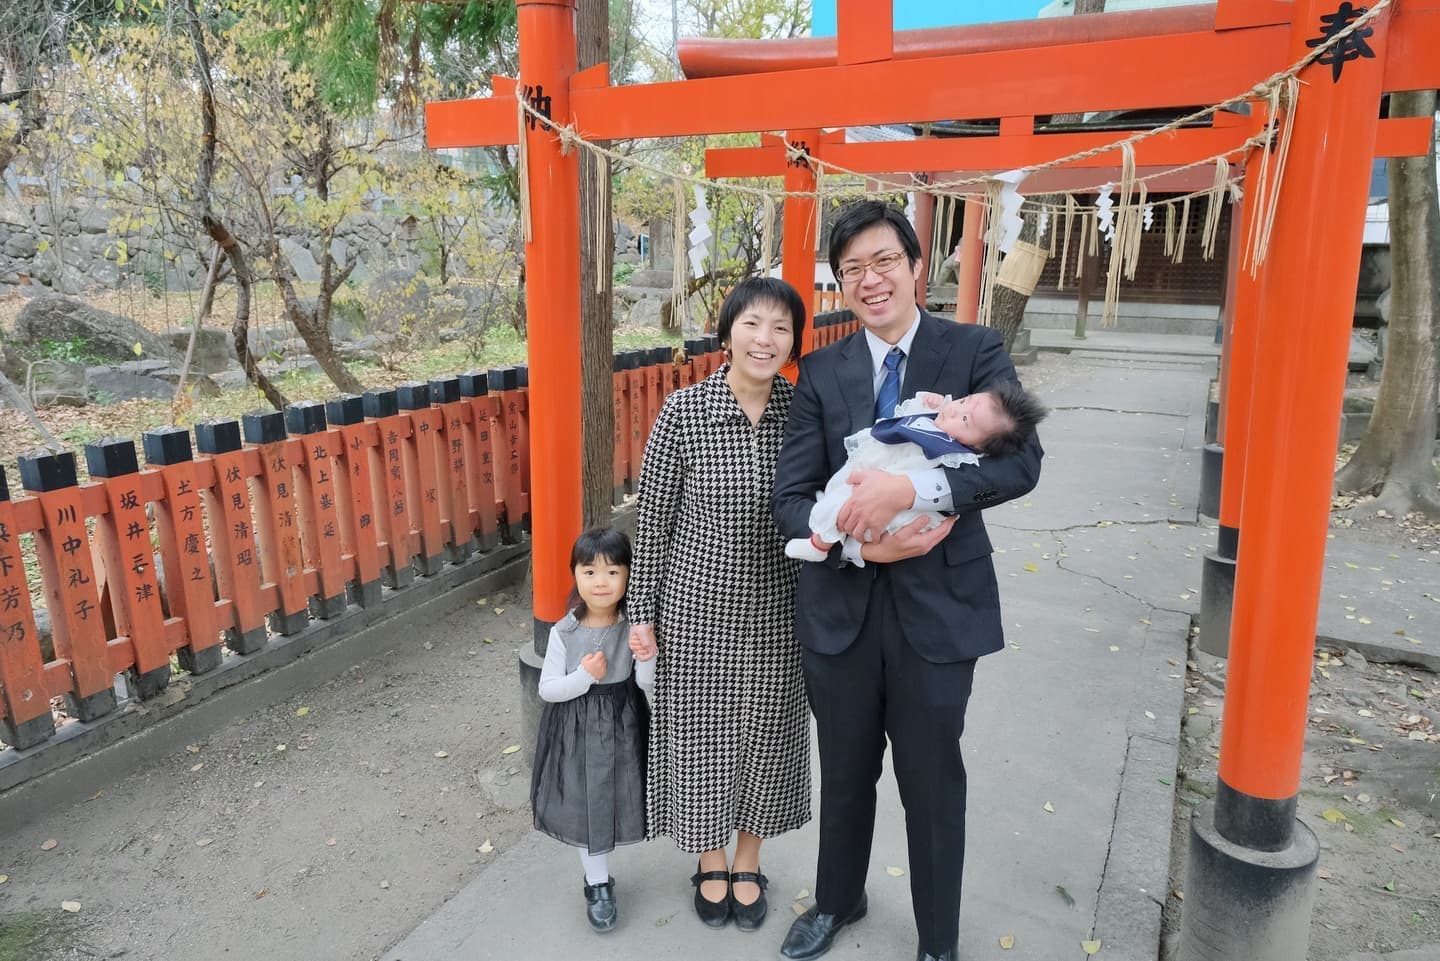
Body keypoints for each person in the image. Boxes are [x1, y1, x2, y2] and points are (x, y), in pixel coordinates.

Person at [772, 201, 1044, 961]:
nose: (870, 278)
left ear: (916, 265)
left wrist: (913, 494)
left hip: (939, 611)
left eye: (884, 260)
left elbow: (1020, 461)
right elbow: (790, 501)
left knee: (931, 778)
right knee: (846, 766)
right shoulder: (822, 370)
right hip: (842, 608)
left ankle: (937, 940)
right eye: (852, 268)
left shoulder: (973, 349)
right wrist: (864, 548)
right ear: (841, 283)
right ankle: (837, 898)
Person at [626, 275, 810, 933]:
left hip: (781, 607)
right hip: (696, 607)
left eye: (781, 327)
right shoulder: (685, 412)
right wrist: (639, 612)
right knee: (701, 735)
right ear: (728, 330)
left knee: (768, 732)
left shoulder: (803, 409)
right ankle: (709, 856)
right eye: (753, 323)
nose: (766, 338)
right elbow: (655, 523)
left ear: (794, 339)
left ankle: (749, 856)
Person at [530, 528, 655, 934]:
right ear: (576, 576)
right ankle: (597, 883)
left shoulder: (634, 625)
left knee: (619, 796)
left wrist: (648, 658)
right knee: (588, 804)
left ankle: (599, 878)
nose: (601, 582)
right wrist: (584, 676)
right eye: (589, 571)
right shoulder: (564, 632)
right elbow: (548, 689)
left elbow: (646, 684)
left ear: (628, 576)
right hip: (577, 729)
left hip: (625, 724)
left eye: (613, 572)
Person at [786, 382, 1047, 563]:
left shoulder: (959, 451)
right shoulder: (820, 367)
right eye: (964, 400)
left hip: (931, 580)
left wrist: (907, 490)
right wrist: (859, 552)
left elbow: (1021, 465)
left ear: (978, 446)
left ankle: (820, 543)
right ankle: (832, 530)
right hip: (834, 602)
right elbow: (790, 494)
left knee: (844, 505)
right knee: (841, 488)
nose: (957, 409)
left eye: (966, 421)